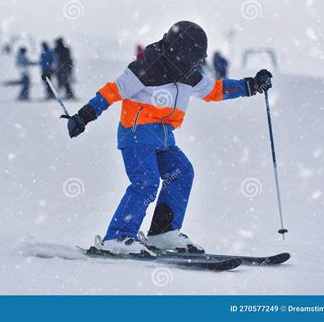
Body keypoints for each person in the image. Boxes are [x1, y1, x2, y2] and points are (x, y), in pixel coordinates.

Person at [64, 21, 272, 255]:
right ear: (176, 53)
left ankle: (163, 233)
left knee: (182, 173)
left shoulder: (190, 76)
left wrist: (250, 85)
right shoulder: (145, 69)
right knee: (146, 182)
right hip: (136, 134)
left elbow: (215, 90)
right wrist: (84, 116)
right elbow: (112, 92)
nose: (192, 66)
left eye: (196, 61)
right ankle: (118, 237)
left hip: (164, 137)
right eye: (188, 60)